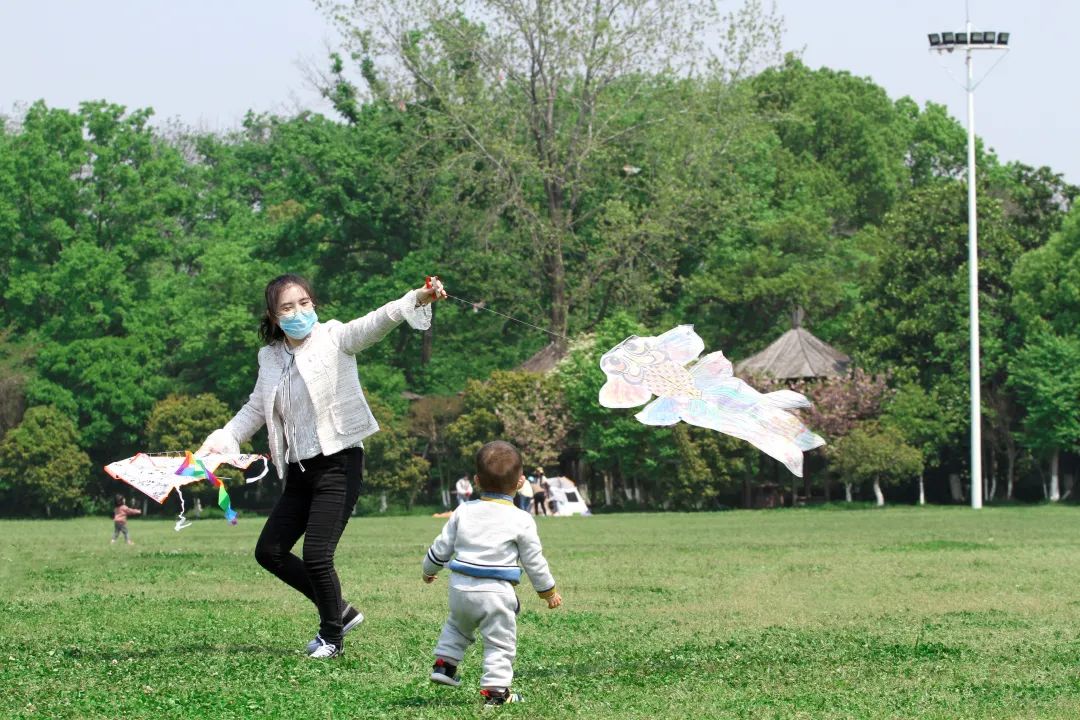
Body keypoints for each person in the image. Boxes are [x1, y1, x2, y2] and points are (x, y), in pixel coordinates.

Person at [197, 272, 446, 659]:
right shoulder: (270, 357)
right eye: (287, 307)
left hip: (339, 464)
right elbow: (256, 408)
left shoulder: (333, 337)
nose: (298, 312)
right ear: (274, 316)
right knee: (270, 551)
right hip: (298, 469)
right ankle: (341, 612)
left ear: (313, 304)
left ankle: (332, 636)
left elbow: (375, 322)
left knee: (317, 555)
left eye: (304, 303)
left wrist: (418, 297)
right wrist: (224, 439)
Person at [422, 441, 562, 706]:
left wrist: (429, 570)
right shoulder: (521, 519)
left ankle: (444, 666)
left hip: (460, 588)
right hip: (496, 593)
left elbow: (442, 546)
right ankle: (497, 693)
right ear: (521, 482)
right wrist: (548, 592)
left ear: (476, 480)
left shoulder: (463, 510)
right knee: (499, 642)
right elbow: (534, 562)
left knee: (457, 625)